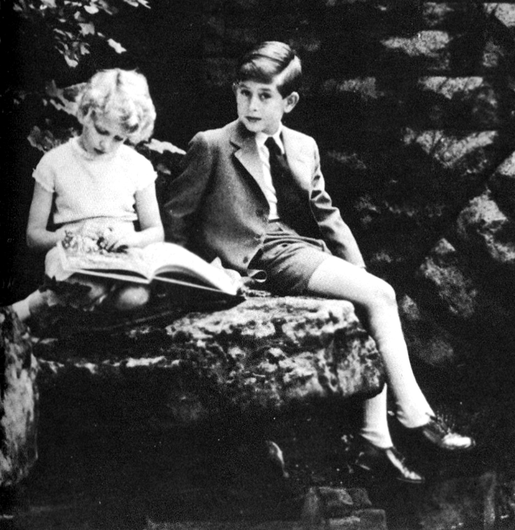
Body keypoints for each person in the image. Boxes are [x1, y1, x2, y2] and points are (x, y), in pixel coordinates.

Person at [163, 41, 474, 485]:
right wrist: (198, 276)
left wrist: (360, 274)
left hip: (295, 248)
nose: (251, 105)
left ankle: (376, 441)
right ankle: (414, 415)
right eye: (244, 92)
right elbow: (177, 220)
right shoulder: (211, 145)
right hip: (256, 256)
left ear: (288, 101)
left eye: (264, 95)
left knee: (371, 298)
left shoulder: (304, 147)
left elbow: (329, 220)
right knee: (380, 296)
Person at [11, 69, 163, 324]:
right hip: (71, 258)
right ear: (85, 113)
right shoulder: (54, 163)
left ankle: (68, 312)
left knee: (134, 297)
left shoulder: (137, 165)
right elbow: (33, 236)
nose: (108, 145)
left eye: (119, 138)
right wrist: (70, 237)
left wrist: (132, 239)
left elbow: (155, 231)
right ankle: (31, 310)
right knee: (83, 287)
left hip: (120, 260)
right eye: (102, 131)